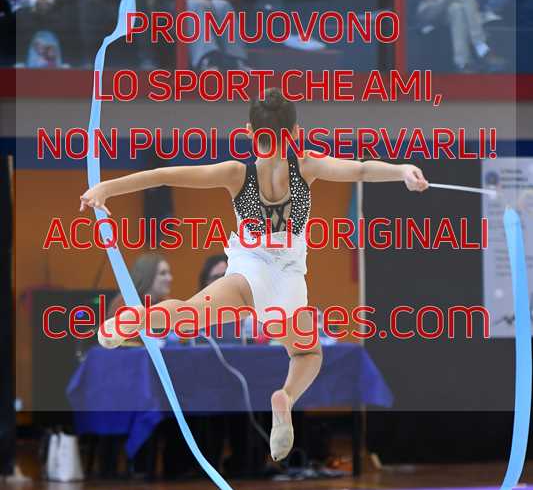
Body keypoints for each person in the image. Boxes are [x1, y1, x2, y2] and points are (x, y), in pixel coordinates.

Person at [80, 88, 429, 462]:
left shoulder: (236, 173)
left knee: (189, 314)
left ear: (249, 131)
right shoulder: (306, 165)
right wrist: (402, 171)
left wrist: (106, 188)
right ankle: (286, 397)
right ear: (295, 133)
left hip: (249, 270)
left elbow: (166, 175)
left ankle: (138, 318)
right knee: (307, 352)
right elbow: (359, 169)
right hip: (288, 280)